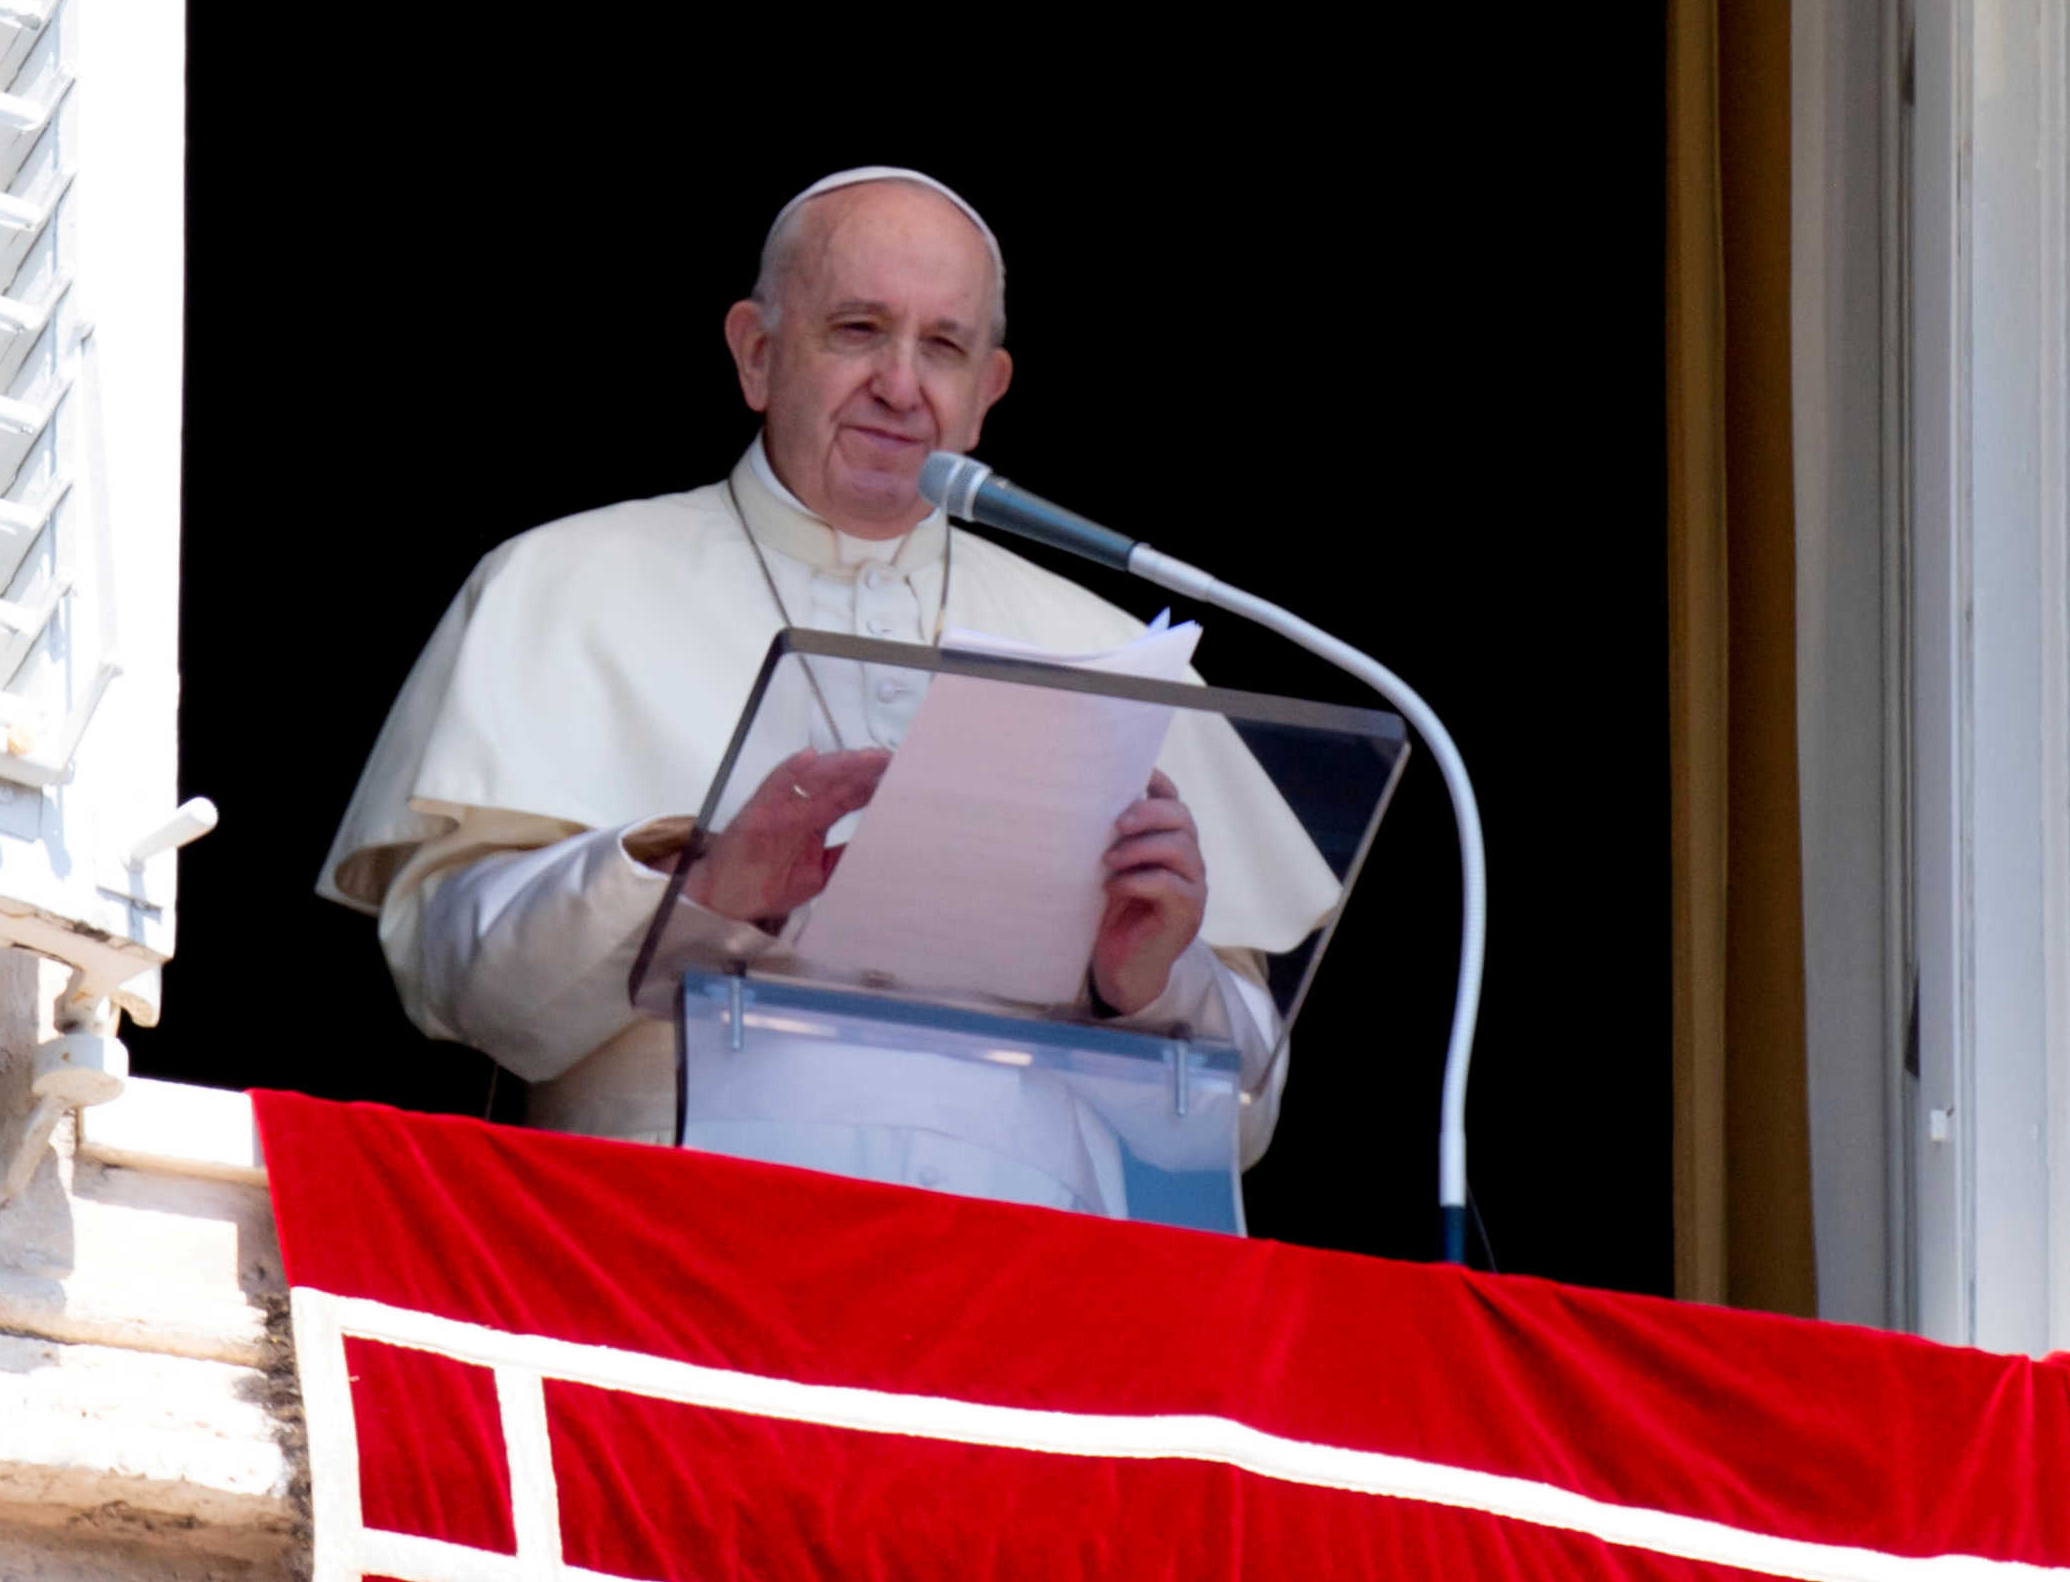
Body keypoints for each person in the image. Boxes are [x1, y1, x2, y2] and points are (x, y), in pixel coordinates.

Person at [318, 168, 1339, 1217]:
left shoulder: (1113, 650)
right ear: (757, 354)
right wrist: (701, 888)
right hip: (671, 1256)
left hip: (1025, 1298)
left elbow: (1240, 1128)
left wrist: (1149, 985)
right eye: (858, 329)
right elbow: (459, 989)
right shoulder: (562, 581)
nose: (901, 385)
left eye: (941, 347)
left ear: (988, 391)